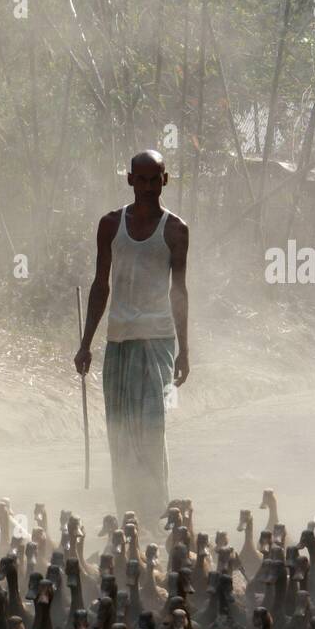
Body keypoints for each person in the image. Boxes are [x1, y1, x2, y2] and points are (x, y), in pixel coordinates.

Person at [73, 150, 189, 526]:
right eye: (141, 180)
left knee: (152, 430)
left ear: (165, 180)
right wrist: (86, 342)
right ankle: (130, 521)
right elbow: (100, 284)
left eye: (155, 180)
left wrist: (184, 351)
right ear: (130, 181)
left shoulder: (175, 230)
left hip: (158, 343)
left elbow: (179, 292)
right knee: (121, 433)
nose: (148, 187)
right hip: (119, 341)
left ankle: (158, 519)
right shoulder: (110, 225)